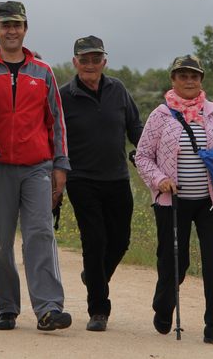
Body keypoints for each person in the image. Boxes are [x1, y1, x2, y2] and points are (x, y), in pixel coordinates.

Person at [0, 1, 72, 332]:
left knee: (40, 233)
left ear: (25, 29)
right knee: (2, 240)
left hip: (37, 165)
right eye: (5, 24)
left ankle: (48, 308)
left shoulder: (43, 71)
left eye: (17, 24)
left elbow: (57, 122)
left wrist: (60, 165)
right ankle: (7, 306)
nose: (11, 30)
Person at [135, 55, 213, 345]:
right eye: (183, 75)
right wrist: (160, 180)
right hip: (173, 201)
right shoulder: (160, 115)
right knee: (174, 261)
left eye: (194, 76)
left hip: (212, 201)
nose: (189, 81)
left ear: (201, 80)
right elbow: (143, 156)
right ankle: (163, 305)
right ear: (173, 79)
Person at [59, 35, 143, 331]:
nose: (91, 64)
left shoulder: (118, 89)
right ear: (75, 62)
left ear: (104, 61)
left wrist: (148, 155)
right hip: (81, 179)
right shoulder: (63, 95)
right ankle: (98, 309)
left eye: (96, 59)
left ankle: (94, 275)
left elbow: (135, 127)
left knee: (120, 240)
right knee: (94, 241)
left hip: (117, 177)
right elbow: (55, 137)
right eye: (85, 59)